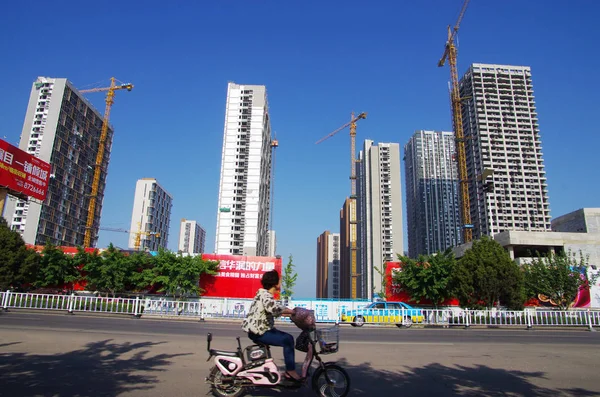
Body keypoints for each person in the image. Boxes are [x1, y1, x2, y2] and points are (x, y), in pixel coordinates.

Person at [241, 270, 303, 381]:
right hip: (259, 332)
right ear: (275, 283)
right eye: (280, 280)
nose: (281, 282)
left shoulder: (264, 294)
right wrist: (293, 312)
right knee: (288, 340)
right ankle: (291, 371)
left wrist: (289, 313)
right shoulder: (265, 295)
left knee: (284, 337)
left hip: (261, 329)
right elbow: (275, 308)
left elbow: (275, 309)